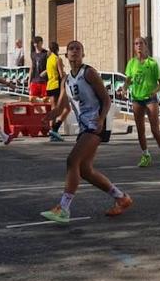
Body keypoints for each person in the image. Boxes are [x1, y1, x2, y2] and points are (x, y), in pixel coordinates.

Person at [40, 41, 132, 223]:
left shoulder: (88, 73)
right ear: (66, 56)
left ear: (83, 54)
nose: (74, 51)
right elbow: (61, 107)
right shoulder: (66, 80)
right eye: (71, 49)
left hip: (96, 123)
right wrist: (49, 116)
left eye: (77, 49)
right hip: (85, 126)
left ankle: (64, 208)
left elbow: (106, 100)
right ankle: (121, 198)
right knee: (85, 170)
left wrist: (100, 119)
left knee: (72, 160)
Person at [125, 36, 160, 169]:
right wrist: (124, 88)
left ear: (145, 46)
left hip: (150, 99)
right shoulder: (131, 63)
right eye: (136, 43)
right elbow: (128, 79)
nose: (138, 46)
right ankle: (146, 155)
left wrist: (155, 91)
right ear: (134, 47)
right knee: (140, 130)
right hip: (137, 99)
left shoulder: (152, 63)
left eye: (141, 43)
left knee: (155, 130)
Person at [45, 41, 70, 142]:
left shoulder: (49, 59)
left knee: (54, 108)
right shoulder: (57, 59)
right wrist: (67, 76)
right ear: (57, 49)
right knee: (67, 108)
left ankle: (52, 132)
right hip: (57, 85)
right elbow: (61, 74)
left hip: (49, 85)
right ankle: (55, 129)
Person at [28, 37, 49, 101]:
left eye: (37, 43)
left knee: (45, 100)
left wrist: (46, 71)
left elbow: (51, 66)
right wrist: (29, 81)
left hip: (44, 81)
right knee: (32, 99)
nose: (36, 44)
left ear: (41, 43)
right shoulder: (33, 54)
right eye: (34, 43)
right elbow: (32, 67)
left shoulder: (46, 53)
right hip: (34, 81)